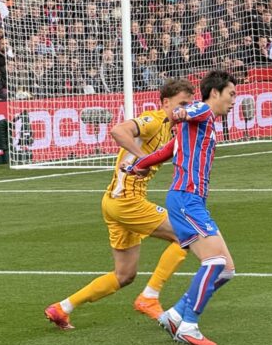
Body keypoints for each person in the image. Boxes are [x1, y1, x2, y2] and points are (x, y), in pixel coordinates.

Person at [44, 79, 195, 331]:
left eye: (189, 104)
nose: (185, 109)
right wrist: (143, 159)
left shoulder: (171, 129)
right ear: (166, 102)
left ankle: (62, 308)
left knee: (124, 275)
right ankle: (150, 297)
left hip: (114, 202)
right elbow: (118, 130)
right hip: (127, 201)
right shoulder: (154, 120)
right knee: (186, 235)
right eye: (182, 103)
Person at [125, 70, 238, 345]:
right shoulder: (202, 111)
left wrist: (138, 166)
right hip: (186, 199)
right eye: (231, 94)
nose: (234, 100)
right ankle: (189, 325)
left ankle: (175, 315)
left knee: (226, 269)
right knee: (214, 262)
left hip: (191, 200)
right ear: (215, 93)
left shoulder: (198, 127)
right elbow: (189, 111)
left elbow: (164, 152)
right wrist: (180, 113)